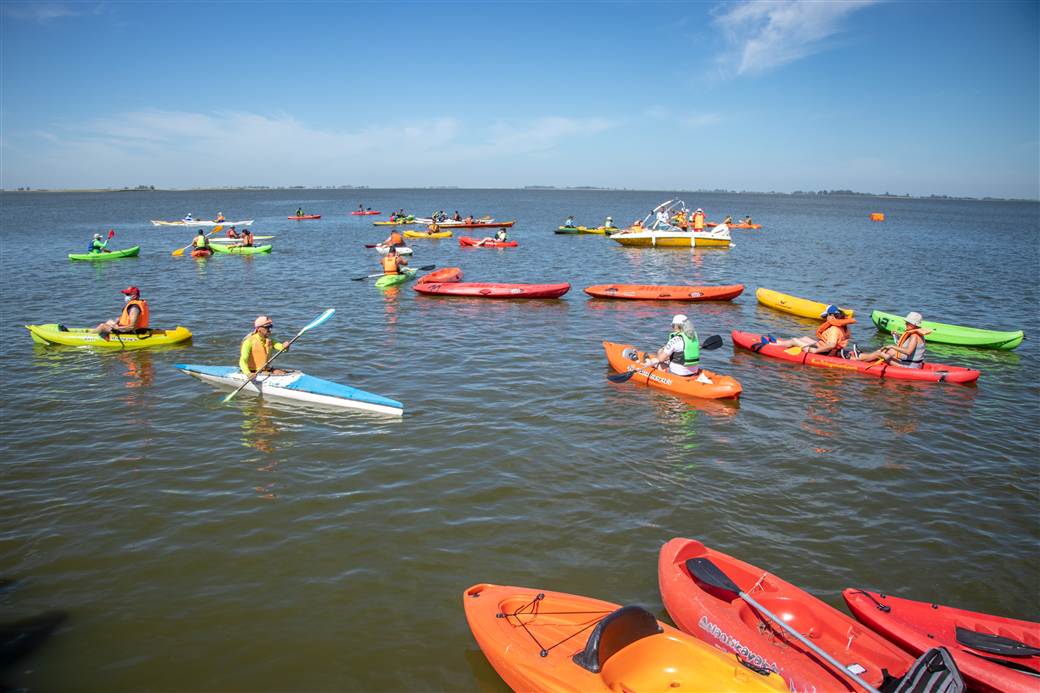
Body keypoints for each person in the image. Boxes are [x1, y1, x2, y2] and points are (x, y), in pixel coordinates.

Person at [765, 305, 857, 357]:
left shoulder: (834, 329)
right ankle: (779, 342)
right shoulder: (845, 327)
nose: (825, 319)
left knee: (795, 340)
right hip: (829, 349)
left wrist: (814, 351)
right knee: (805, 338)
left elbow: (831, 345)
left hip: (825, 352)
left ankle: (772, 345)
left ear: (832, 316)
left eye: (826, 316)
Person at [641, 315, 711, 382]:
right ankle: (650, 360)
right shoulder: (694, 337)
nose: (672, 328)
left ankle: (647, 361)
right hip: (693, 372)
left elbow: (661, 359)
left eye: (673, 326)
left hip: (678, 374)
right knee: (667, 356)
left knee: (660, 356)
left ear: (677, 326)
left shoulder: (675, 340)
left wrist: (661, 352)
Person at [856, 312, 931, 368]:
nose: (906, 323)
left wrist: (892, 346)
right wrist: (897, 336)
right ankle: (864, 356)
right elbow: (905, 347)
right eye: (906, 322)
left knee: (880, 353)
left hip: (909, 366)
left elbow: (908, 352)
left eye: (908, 323)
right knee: (887, 350)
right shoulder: (917, 333)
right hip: (913, 363)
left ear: (914, 324)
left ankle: (858, 359)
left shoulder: (914, 335)